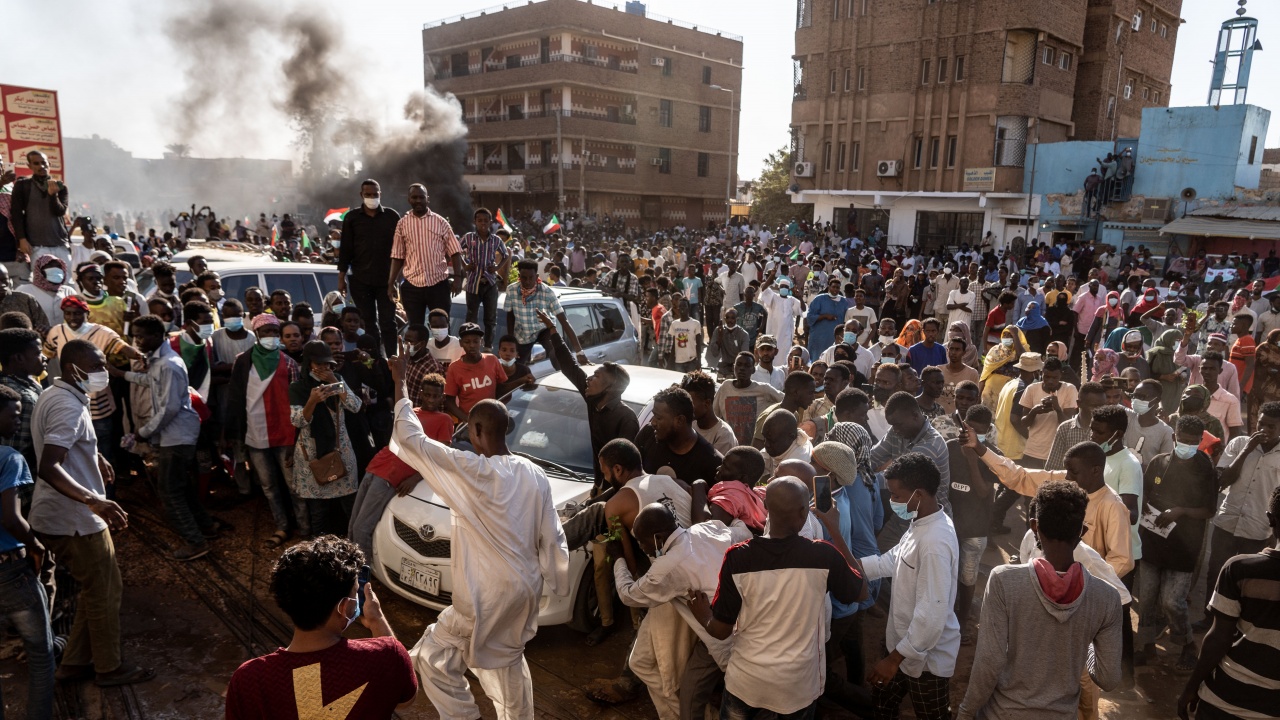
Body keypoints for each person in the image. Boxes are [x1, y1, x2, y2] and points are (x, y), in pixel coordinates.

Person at [389, 345, 570, 720]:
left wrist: (400, 385)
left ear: (476, 430)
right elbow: (552, 537)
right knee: (486, 661)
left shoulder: (472, 470)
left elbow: (411, 440)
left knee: (439, 659)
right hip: (521, 591)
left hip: (485, 595)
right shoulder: (532, 472)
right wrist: (556, 583)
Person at [689, 476, 867, 719]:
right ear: (804, 511)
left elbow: (720, 631)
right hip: (797, 684)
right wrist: (834, 529)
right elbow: (862, 592)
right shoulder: (823, 556)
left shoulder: (738, 558)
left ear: (765, 508)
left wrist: (703, 615)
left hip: (746, 678)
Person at [31, 339, 153, 686]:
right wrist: (93, 500)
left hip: (66, 515)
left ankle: (74, 663)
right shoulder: (67, 405)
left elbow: (63, 442)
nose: (104, 372)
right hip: (73, 519)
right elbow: (49, 466)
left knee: (97, 588)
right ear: (74, 369)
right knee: (105, 591)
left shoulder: (60, 395)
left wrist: (94, 455)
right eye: (98, 366)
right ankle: (109, 667)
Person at [956, 481, 1123, 720]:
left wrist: (966, 711)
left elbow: (990, 661)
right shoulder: (1106, 597)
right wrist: (1084, 640)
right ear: (1082, 532)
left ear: (1034, 527)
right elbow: (1108, 678)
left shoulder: (1005, 581)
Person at [224, 536, 417, 719]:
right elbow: (404, 701)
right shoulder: (387, 655)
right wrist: (377, 620)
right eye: (354, 591)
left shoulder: (248, 679)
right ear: (343, 607)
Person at [606, 502, 747, 720]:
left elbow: (627, 594)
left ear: (658, 538)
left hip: (726, 639)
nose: (642, 548)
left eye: (642, 542)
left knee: (741, 704)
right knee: (692, 689)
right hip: (741, 624)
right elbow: (742, 533)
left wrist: (618, 559)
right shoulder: (705, 529)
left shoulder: (667, 567)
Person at [858, 453, 960, 720]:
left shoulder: (935, 543)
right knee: (883, 706)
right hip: (901, 645)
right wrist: (847, 560)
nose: (892, 501)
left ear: (918, 494)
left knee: (932, 715)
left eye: (896, 495)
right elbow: (889, 562)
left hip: (926, 659)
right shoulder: (920, 523)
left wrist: (893, 661)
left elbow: (932, 614)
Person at [113, 315, 214, 560]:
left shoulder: (168, 364)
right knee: (181, 485)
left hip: (176, 435)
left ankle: (195, 542)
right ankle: (207, 527)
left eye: (141, 336)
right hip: (175, 433)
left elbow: (169, 408)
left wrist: (143, 432)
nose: (136, 340)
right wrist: (122, 374)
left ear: (157, 336)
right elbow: (151, 382)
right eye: (135, 335)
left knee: (169, 491)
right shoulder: (159, 362)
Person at [1177, 485, 1280, 720]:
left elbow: (1219, 637)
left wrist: (1191, 688)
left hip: (1225, 700)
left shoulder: (1239, 569)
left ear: (1270, 519)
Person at [1135, 415, 1217, 672]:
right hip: (1153, 540)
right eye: (1184, 440)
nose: (1188, 445)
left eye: (1194, 442)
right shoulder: (1159, 463)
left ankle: (1187, 644)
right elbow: (1146, 492)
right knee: (1147, 597)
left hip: (1184, 545)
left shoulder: (1205, 469)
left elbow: (1209, 511)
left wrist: (1180, 511)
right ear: (1174, 438)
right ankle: (1146, 646)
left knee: (1173, 601)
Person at [811, 439, 883, 715]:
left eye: (813, 464)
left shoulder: (828, 513)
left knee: (822, 672)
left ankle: (866, 706)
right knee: (852, 647)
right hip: (848, 601)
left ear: (827, 474)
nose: (808, 468)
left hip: (839, 605)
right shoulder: (837, 500)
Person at [348, 374, 452, 560]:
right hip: (377, 466)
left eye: (435, 396)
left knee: (362, 527)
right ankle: (351, 566)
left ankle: (362, 573)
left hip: (393, 476)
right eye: (427, 394)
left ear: (442, 397)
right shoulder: (411, 412)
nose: (430, 399)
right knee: (353, 521)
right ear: (420, 394)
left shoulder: (444, 420)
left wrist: (415, 477)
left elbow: (439, 457)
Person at [536, 309, 639, 494]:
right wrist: (552, 328)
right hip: (598, 486)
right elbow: (569, 366)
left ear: (610, 387)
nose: (589, 379)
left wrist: (605, 498)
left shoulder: (626, 418)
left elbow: (626, 469)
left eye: (596, 376)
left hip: (616, 492)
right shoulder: (594, 401)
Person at [225, 314, 305, 547]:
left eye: (274, 332)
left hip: (285, 434)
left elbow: (297, 401)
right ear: (257, 334)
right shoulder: (243, 361)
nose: (270, 336)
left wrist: (296, 436)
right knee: (269, 486)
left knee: (294, 486)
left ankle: (305, 528)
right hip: (256, 434)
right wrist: (235, 433)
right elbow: (236, 398)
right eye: (265, 332)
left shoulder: (288, 363)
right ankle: (282, 527)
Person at [0, 384, 55, 718]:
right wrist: (35, 545)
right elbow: (11, 518)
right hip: (9, 571)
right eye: (14, 414)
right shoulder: (9, 458)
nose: (18, 420)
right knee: (40, 655)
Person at [1199, 402, 1280, 620]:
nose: (1264, 430)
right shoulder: (1239, 444)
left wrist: (1274, 535)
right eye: (1261, 424)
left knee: (1247, 579)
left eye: (1271, 426)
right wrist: (1247, 450)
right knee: (1215, 571)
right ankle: (1210, 618)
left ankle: (1235, 623)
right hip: (1227, 520)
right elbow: (1223, 481)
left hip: (1257, 528)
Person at [289, 341, 363, 536]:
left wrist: (337, 384)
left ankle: (355, 544)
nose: (323, 368)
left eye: (327, 364)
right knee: (318, 511)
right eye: (318, 364)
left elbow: (355, 406)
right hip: (311, 455)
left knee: (350, 505)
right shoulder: (298, 388)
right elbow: (297, 421)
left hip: (340, 450)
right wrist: (312, 401)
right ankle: (320, 551)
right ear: (308, 363)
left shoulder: (337, 379)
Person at [948, 404, 998, 642]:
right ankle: (947, 618)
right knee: (946, 577)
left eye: (978, 431)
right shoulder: (948, 448)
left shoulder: (993, 456)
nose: (971, 434)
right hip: (948, 527)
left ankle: (963, 620)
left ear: (987, 430)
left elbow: (981, 491)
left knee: (968, 578)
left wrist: (971, 459)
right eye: (969, 428)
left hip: (975, 530)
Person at [389, 183, 463, 328]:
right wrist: (391, 283)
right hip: (412, 287)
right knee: (415, 329)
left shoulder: (441, 222)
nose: (418, 200)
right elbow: (397, 256)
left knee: (441, 329)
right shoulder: (402, 224)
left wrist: (458, 278)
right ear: (409, 199)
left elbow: (455, 251)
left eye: (421, 197)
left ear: (427, 199)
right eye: (414, 197)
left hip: (438, 285)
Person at [505, 260, 586, 367]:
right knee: (515, 366)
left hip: (544, 329)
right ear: (519, 276)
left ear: (537, 276)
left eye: (531, 278)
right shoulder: (511, 290)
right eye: (524, 278)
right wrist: (512, 341)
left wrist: (579, 351)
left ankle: (563, 374)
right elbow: (510, 316)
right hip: (523, 334)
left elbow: (564, 321)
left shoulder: (547, 292)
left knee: (555, 349)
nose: (528, 281)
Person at [635, 387, 723, 484]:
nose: (653, 422)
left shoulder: (711, 462)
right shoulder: (647, 434)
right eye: (653, 416)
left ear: (680, 420)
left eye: (659, 418)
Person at [9, 151, 71, 268]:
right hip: (37, 246)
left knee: (66, 282)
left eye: (44, 163)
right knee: (41, 281)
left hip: (60, 244)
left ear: (49, 164)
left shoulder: (60, 187)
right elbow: (16, 214)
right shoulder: (23, 185)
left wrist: (53, 195)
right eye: (36, 163)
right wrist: (22, 239)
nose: (41, 166)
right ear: (29, 166)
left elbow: (60, 212)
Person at [461, 208, 509, 350]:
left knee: (490, 318)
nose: (483, 223)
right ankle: (470, 346)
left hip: (490, 283)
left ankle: (488, 347)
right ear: (475, 222)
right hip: (472, 283)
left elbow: (505, 255)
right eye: (480, 220)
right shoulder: (469, 237)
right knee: (471, 317)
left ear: (490, 222)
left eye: (486, 220)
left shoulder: (495, 240)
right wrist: (465, 265)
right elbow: (456, 251)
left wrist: (496, 268)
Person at [1017, 356, 1078, 468]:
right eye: (1047, 377)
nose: (1050, 381)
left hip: (1057, 454)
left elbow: (1068, 425)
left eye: (1055, 377)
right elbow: (1023, 423)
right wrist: (1034, 411)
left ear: (1061, 375)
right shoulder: (1031, 389)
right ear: (1041, 373)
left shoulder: (1070, 389)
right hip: (1033, 451)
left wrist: (1057, 408)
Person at [714, 352, 784, 447]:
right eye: (739, 365)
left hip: (754, 448)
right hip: (729, 445)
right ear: (733, 367)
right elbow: (715, 416)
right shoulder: (725, 387)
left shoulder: (764, 389)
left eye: (747, 366)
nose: (742, 368)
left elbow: (786, 401)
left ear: (753, 370)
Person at [444, 323, 507, 421]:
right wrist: (467, 420)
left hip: (492, 419)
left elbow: (503, 389)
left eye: (475, 341)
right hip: (468, 424)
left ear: (481, 341)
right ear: (461, 343)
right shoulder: (454, 368)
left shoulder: (492, 360)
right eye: (467, 342)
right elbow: (449, 401)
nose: (472, 345)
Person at [682, 371, 736, 455]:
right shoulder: (690, 425)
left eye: (690, 403)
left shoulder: (723, 434)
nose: (685, 408)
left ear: (707, 403)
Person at [933, 337, 979, 415]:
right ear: (947, 350)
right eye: (951, 349)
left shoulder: (972, 373)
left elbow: (975, 399)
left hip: (959, 418)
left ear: (964, 353)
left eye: (957, 349)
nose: (953, 352)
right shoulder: (938, 370)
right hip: (937, 416)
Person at [807, 276, 850, 357]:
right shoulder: (819, 299)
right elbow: (809, 317)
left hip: (834, 337)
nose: (835, 289)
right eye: (833, 287)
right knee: (817, 358)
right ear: (829, 287)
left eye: (837, 287)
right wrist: (824, 316)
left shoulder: (843, 302)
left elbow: (846, 319)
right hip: (819, 336)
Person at [706, 307, 749, 376]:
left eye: (732, 318)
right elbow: (714, 353)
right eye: (728, 318)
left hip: (738, 367)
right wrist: (720, 337)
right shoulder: (718, 330)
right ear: (724, 319)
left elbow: (744, 355)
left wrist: (736, 365)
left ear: (737, 319)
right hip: (723, 367)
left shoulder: (744, 334)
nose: (730, 320)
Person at [666, 298, 703, 372]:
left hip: (691, 361)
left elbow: (698, 344)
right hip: (679, 362)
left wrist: (699, 360)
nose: (682, 308)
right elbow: (674, 345)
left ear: (688, 308)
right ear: (678, 308)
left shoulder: (695, 324)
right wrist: (670, 361)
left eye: (684, 306)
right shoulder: (674, 324)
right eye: (680, 306)